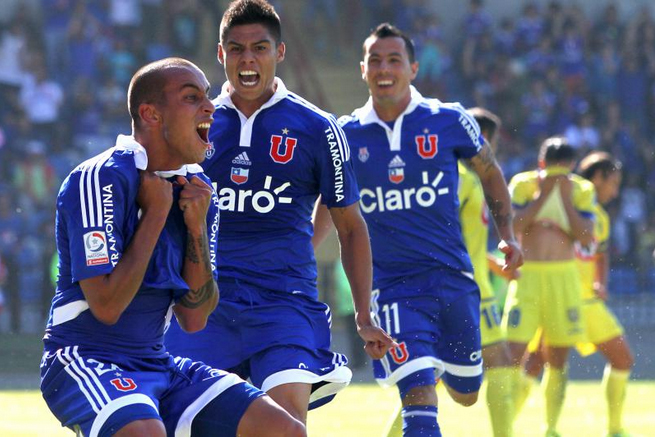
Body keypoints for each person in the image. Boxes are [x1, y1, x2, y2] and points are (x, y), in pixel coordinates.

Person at [40, 57, 305, 437]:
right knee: (146, 432)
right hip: (85, 359)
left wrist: (196, 227)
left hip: (157, 362)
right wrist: (156, 213)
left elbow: (194, 319)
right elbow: (106, 307)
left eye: (207, 96)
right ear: (151, 114)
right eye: (192, 97)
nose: (210, 107)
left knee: (284, 430)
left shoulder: (197, 188)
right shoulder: (98, 179)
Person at [164, 0, 395, 426]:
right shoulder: (195, 124)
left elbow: (350, 226)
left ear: (280, 52)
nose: (248, 60)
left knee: (285, 424)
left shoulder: (319, 128)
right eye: (236, 49)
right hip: (205, 305)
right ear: (221, 54)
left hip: (284, 304)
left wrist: (363, 315)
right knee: (184, 421)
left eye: (260, 48)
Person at [315, 24, 522, 437]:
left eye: (394, 60)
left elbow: (490, 172)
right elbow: (331, 198)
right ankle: (421, 366)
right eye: (375, 60)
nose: (384, 68)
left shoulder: (448, 119)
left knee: (466, 392)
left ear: (413, 68)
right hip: (391, 287)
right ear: (362, 69)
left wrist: (508, 234)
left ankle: (434, 362)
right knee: (418, 395)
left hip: (453, 281)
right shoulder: (346, 133)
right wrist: (304, 249)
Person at [522, 151, 633, 437]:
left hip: (588, 302)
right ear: (597, 178)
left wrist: (600, 282)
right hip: (559, 296)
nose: (615, 191)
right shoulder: (562, 204)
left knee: (623, 358)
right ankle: (529, 427)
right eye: (613, 183)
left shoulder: (601, 218)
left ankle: (615, 429)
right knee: (537, 362)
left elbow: (601, 253)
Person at [502, 137, 595, 437]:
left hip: (563, 278)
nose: (558, 175)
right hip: (528, 277)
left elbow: (586, 236)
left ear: (572, 167)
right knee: (512, 353)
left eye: (564, 170)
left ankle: (551, 428)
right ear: (541, 164)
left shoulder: (581, 189)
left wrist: (564, 198)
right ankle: (504, 426)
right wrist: (544, 195)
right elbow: (515, 226)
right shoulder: (523, 184)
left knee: (557, 357)